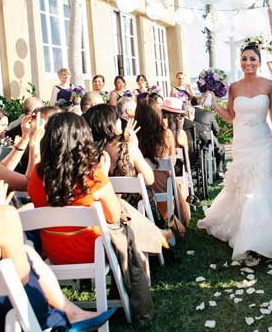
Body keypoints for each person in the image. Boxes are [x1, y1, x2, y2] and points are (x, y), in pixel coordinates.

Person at [0, 116, 116, 332]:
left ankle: (72, 311)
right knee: (27, 255)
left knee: (29, 252)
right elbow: (23, 279)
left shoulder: (35, 181)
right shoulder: (0, 218)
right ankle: (69, 313)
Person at [27, 112, 168, 325]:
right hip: (92, 251)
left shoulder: (37, 176)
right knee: (124, 215)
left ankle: (157, 236)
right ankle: (156, 237)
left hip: (53, 252)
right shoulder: (92, 175)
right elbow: (112, 218)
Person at [199, 42, 272, 261]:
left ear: (259, 62)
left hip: (265, 143)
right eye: (244, 59)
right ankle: (249, 233)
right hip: (243, 144)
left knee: (262, 186)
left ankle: (259, 242)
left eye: (252, 59)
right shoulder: (234, 87)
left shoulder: (269, 85)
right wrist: (214, 103)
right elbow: (231, 116)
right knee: (246, 188)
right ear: (240, 62)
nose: (248, 63)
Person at [135, 98, 191, 227]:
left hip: (141, 186)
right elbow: (172, 161)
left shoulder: (134, 136)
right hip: (163, 184)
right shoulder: (166, 134)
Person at [191, 96, 225, 179]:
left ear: (191, 104)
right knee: (221, 149)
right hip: (207, 142)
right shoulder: (208, 113)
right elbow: (216, 130)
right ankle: (219, 171)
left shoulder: (188, 113)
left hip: (191, 142)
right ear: (202, 104)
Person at [161, 97, 190, 178]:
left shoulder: (157, 132)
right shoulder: (181, 134)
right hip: (176, 172)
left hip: (158, 173)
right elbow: (186, 156)